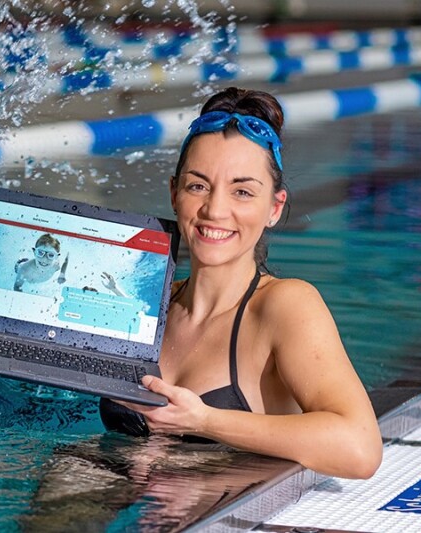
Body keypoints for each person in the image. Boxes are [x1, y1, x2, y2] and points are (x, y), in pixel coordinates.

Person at [99, 87, 383, 479]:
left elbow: (359, 448)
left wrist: (204, 422)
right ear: (173, 193)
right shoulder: (149, 301)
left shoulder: (284, 306)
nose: (215, 210)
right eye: (198, 186)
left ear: (274, 207)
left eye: (243, 192)